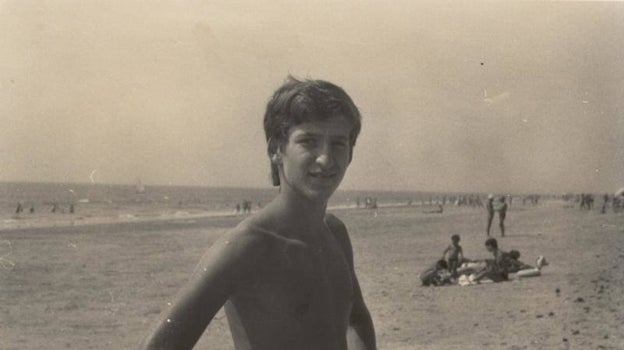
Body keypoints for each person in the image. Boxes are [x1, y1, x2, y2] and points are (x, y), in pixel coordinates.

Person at [140, 77, 376, 350]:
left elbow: (355, 318)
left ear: (351, 153)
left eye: (338, 143)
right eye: (308, 141)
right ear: (276, 150)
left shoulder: (334, 233)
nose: (325, 158)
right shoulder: (248, 246)